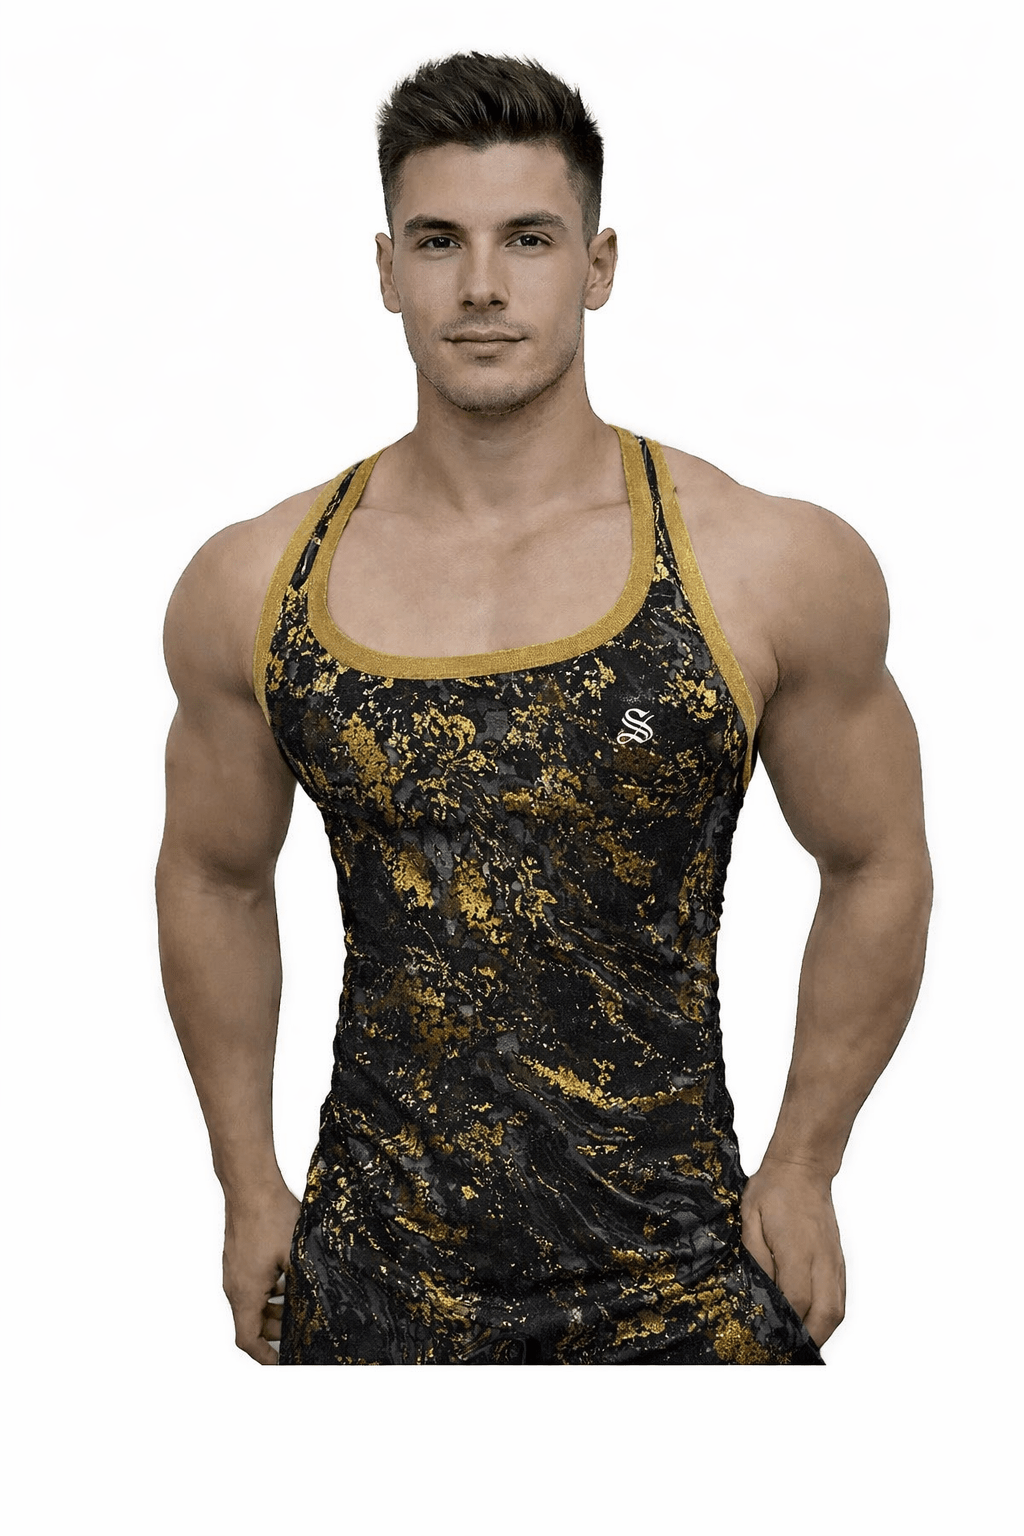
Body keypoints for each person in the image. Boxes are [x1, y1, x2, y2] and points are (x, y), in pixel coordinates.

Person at [156, 52, 932, 1366]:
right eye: (438, 241)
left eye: (528, 238)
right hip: (372, 1288)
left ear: (598, 264)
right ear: (386, 270)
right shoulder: (257, 581)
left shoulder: (764, 564)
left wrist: (808, 1160)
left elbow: (878, 860)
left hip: (689, 1285)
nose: (481, 285)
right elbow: (213, 877)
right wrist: (244, 1182)